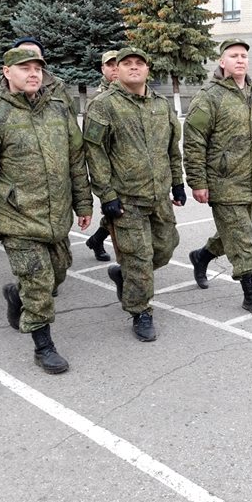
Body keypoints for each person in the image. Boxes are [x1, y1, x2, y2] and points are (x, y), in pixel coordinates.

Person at [0, 47, 92, 373]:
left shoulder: (59, 109)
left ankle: (15, 296)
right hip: (16, 216)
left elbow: (75, 159)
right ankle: (43, 346)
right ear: (6, 72)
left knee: (58, 272)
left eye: (37, 68)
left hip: (56, 214)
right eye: (24, 68)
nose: (33, 73)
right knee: (38, 283)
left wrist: (83, 202)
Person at [84, 47, 184, 342]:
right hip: (126, 200)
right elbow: (95, 152)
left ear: (147, 69)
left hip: (159, 196)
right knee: (139, 258)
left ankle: (127, 276)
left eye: (139, 63)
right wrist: (107, 195)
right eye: (126, 63)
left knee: (165, 248)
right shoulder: (103, 105)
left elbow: (171, 147)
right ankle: (140, 310)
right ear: (117, 69)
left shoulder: (161, 104)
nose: (133, 67)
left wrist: (177, 183)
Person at [184, 38, 252, 318]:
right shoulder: (209, 97)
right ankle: (250, 294)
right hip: (223, 182)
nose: (240, 60)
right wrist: (198, 181)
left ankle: (202, 256)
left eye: (244, 56)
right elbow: (194, 142)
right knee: (242, 239)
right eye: (234, 56)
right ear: (222, 62)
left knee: (233, 234)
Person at [83, 49, 121, 263]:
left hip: (130, 169)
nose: (115, 69)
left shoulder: (131, 92)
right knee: (117, 212)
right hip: (109, 169)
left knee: (118, 213)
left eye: (118, 64)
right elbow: (94, 144)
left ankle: (96, 240)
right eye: (110, 65)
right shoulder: (98, 100)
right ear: (103, 69)